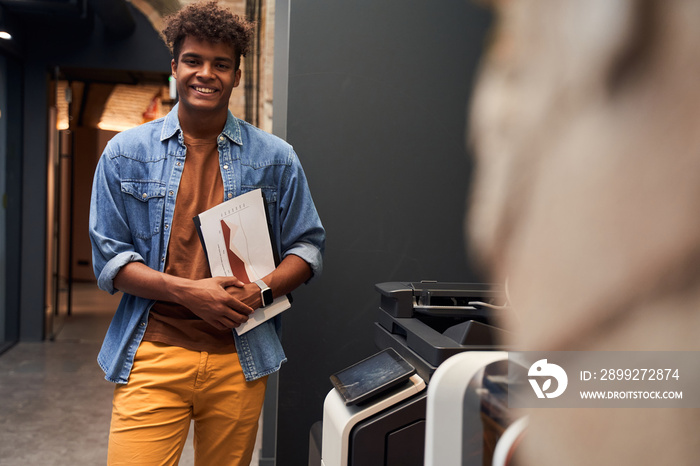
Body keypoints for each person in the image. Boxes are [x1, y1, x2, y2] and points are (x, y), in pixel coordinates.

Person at [88, 2, 325, 464]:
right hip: (152, 352)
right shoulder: (124, 153)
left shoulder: (275, 158)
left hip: (239, 358)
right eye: (194, 60)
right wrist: (189, 293)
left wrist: (258, 293)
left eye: (221, 64)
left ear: (237, 75)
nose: (206, 74)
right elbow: (111, 261)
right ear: (174, 66)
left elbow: (308, 246)